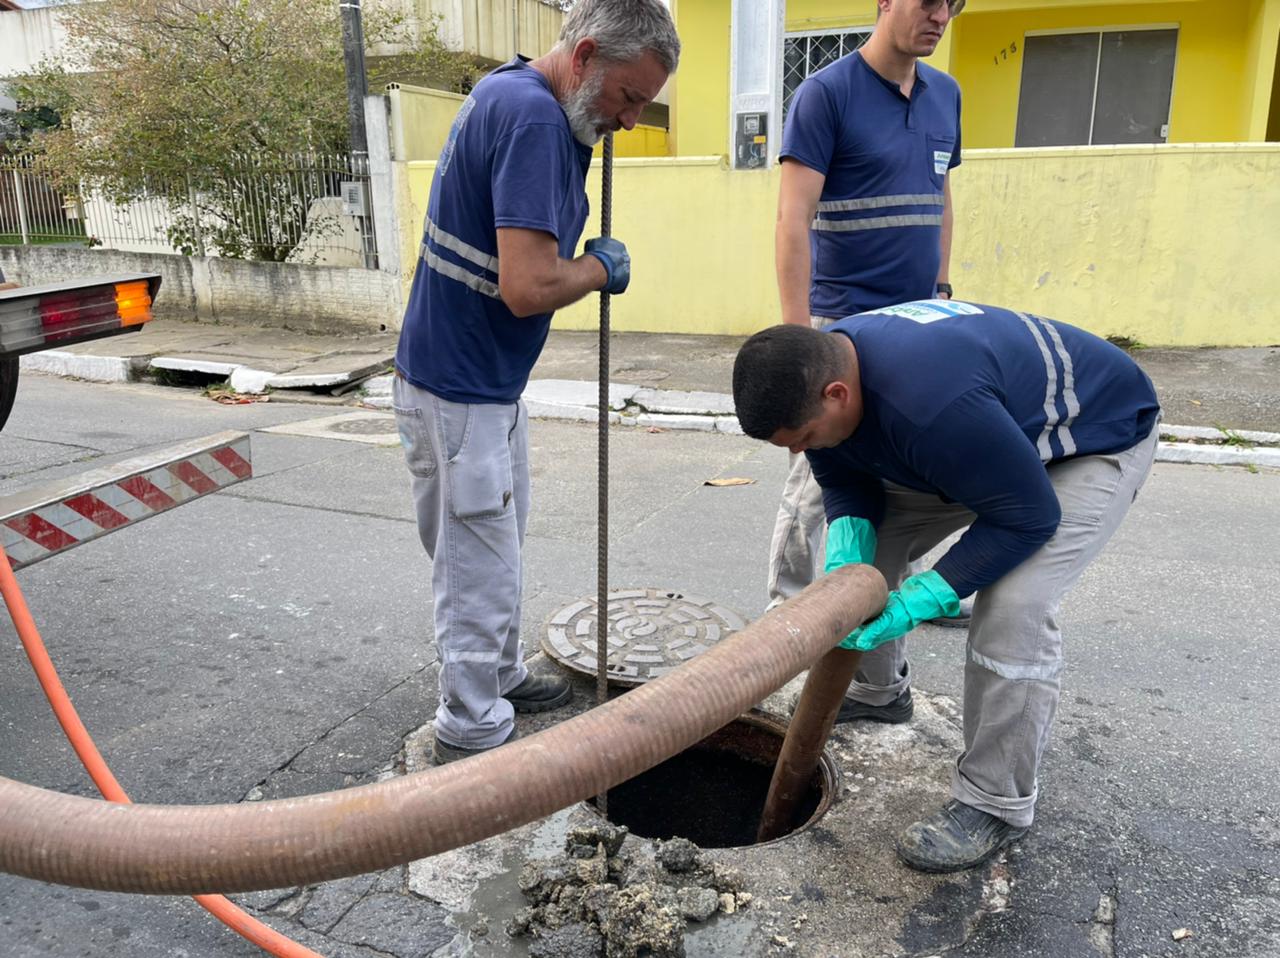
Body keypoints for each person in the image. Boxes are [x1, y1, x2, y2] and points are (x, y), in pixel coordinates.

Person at [732, 299, 1160, 872]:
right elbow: (844, 471)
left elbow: (1027, 517)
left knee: (1015, 606)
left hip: (1090, 440)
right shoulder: (830, 369)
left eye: (803, 435)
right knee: (870, 561)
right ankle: (878, 693)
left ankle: (996, 802)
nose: (797, 451)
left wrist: (922, 598)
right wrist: (852, 549)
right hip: (989, 436)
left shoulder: (933, 404)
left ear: (837, 394)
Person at [391, 0, 679, 765]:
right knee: (474, 557)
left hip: (474, 380)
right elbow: (526, 285)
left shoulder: (516, 93)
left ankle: (500, 673)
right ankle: (470, 723)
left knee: (493, 542)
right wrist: (597, 269)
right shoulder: (535, 123)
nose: (627, 119)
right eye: (627, 97)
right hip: (461, 387)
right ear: (584, 55)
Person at [768, 0, 969, 695]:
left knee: (898, 485)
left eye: (955, 2)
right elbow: (793, 219)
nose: (941, 13)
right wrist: (802, 340)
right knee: (818, 489)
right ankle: (787, 626)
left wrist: (941, 289)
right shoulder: (826, 94)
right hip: (842, 330)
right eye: (927, 0)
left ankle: (881, 629)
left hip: (913, 332)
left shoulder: (947, 95)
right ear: (884, 2)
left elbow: (940, 197)